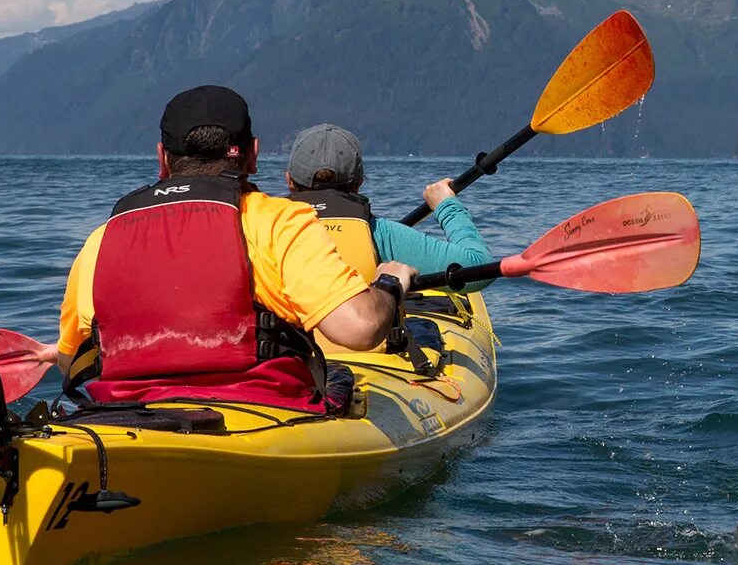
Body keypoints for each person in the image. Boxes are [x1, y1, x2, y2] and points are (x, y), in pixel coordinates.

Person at [55, 86, 415, 414]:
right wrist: (389, 285)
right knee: (340, 377)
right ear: (252, 155)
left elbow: (70, 362)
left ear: (162, 158)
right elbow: (360, 329)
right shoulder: (280, 222)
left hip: (124, 416)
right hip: (261, 413)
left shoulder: (103, 238)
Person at [281, 123, 495, 292]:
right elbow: (478, 268)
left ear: (289, 180)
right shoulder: (380, 235)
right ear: (359, 183)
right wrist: (446, 206)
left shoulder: (260, 229)